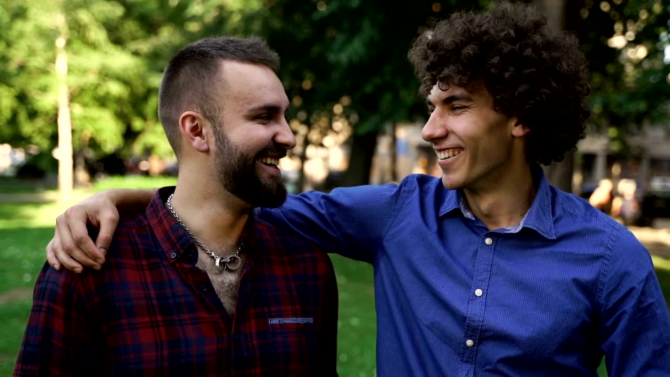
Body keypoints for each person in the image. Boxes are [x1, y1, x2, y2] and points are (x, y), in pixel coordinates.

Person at [46, 4, 670, 376]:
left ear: (520, 117)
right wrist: (119, 200)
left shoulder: (611, 260)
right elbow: (235, 196)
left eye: (455, 106)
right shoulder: (396, 213)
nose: (431, 130)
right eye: (431, 106)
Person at [15, 37, 338, 377]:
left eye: (284, 117)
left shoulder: (306, 265)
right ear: (197, 131)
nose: (288, 136)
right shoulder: (88, 266)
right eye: (264, 117)